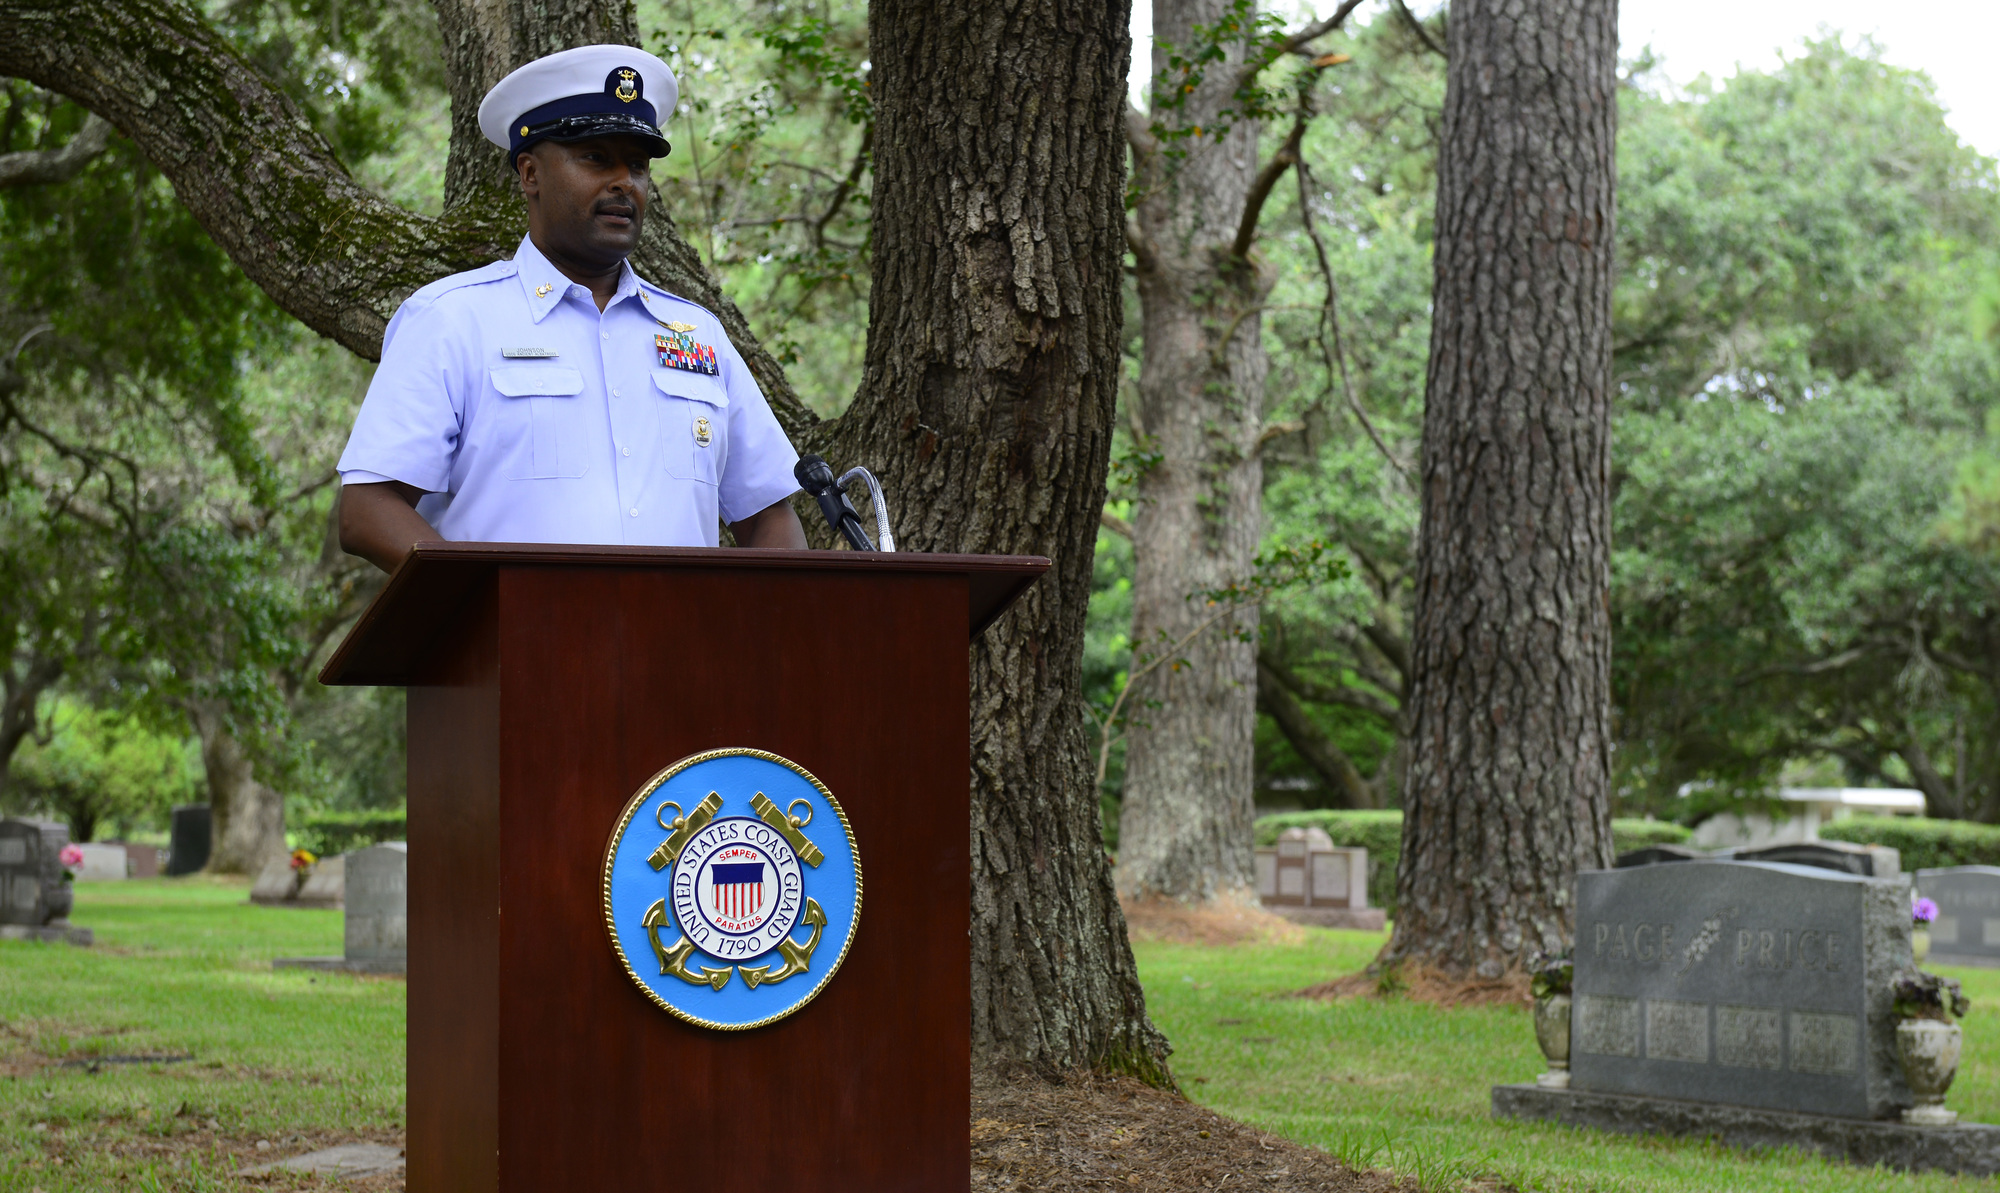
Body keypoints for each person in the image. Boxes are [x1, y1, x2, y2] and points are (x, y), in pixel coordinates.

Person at [336, 45, 807, 574]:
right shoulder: (451, 320)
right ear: (530, 173)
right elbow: (368, 510)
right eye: (596, 158)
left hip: (679, 653)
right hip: (518, 650)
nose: (624, 182)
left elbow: (770, 516)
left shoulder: (698, 335)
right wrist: (496, 609)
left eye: (638, 166)